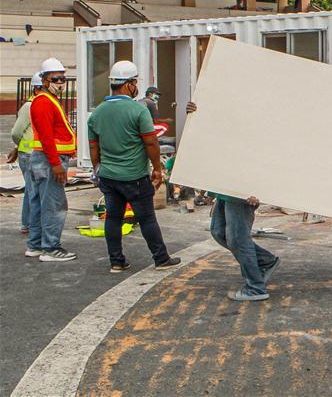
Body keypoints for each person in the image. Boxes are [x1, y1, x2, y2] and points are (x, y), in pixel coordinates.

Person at [88, 61, 181, 273]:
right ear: (129, 84)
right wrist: (157, 169)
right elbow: (151, 142)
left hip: (109, 176)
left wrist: (98, 170)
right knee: (147, 217)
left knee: (113, 218)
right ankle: (161, 258)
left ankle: (116, 261)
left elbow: (94, 149)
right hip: (134, 176)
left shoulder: (97, 113)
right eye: (135, 82)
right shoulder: (138, 110)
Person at [186, 101, 280, 301]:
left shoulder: (257, 117)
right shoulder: (229, 112)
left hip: (242, 184)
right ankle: (265, 261)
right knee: (219, 231)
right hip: (225, 182)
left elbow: (267, 148)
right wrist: (198, 115)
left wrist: (259, 187)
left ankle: (256, 287)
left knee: (238, 238)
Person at [28, 58, 77, 262]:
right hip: (50, 161)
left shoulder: (48, 101)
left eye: (63, 79)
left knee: (41, 203)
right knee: (54, 205)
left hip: (47, 160)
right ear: (45, 81)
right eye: (56, 79)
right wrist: (56, 164)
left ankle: (36, 245)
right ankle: (50, 248)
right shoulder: (44, 102)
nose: (61, 83)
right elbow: (47, 137)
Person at [7, 72, 42, 233]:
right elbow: (16, 132)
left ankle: (28, 223)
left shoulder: (41, 105)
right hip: (28, 154)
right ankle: (28, 224)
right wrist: (17, 147)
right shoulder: (29, 106)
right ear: (36, 89)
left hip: (34, 152)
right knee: (33, 191)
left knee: (32, 190)